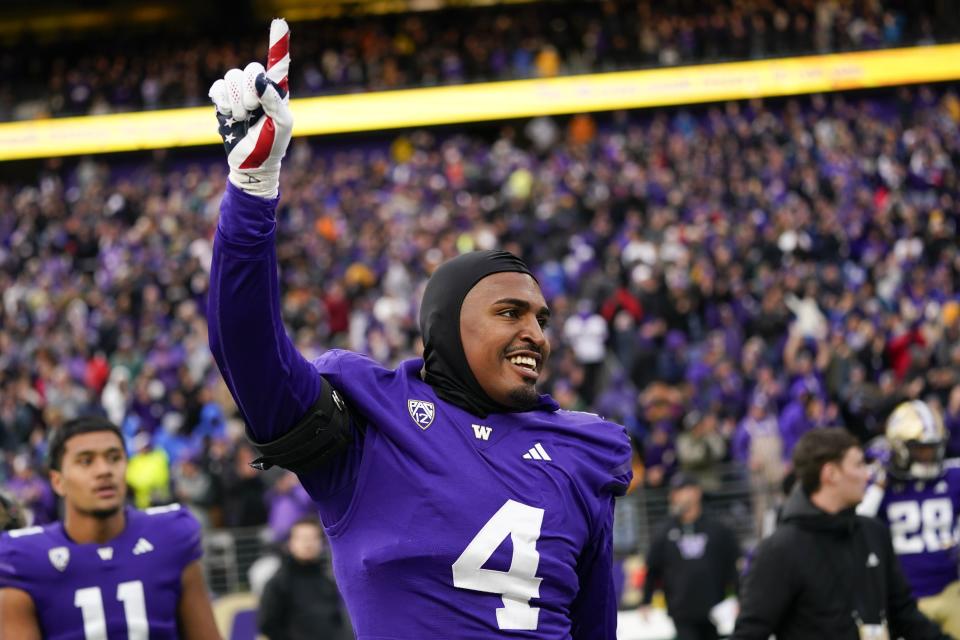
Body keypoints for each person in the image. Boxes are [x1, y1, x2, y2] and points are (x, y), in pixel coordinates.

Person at [206, 19, 632, 638]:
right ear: (447, 331)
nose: (536, 334)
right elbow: (246, 352)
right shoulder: (371, 428)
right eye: (508, 313)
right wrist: (252, 191)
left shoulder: (582, 450)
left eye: (541, 319)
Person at [0, 416, 221, 640]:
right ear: (58, 481)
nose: (104, 470)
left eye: (114, 458)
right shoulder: (25, 560)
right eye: (86, 461)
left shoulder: (170, 536)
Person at [732, 427, 948, 640]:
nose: (867, 474)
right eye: (859, 465)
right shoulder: (779, 549)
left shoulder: (874, 532)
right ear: (830, 474)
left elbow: (904, 614)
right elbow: (750, 633)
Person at [856, 400, 960, 638]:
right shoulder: (881, 484)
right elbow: (857, 522)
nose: (929, 456)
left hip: (951, 590)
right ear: (898, 448)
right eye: (920, 448)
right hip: (904, 599)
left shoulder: (952, 477)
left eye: (933, 447)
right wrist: (880, 482)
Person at [640, 473, 740, 640]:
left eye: (682, 490)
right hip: (682, 612)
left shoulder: (718, 528)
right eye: (675, 492)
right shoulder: (664, 531)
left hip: (715, 611)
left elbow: (732, 565)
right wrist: (645, 601)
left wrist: (740, 597)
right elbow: (652, 568)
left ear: (696, 492)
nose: (676, 496)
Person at [258, 516, 345, 640]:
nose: (308, 543)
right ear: (291, 543)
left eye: (313, 538)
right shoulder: (278, 583)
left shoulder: (328, 582)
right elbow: (267, 625)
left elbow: (337, 623)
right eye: (303, 538)